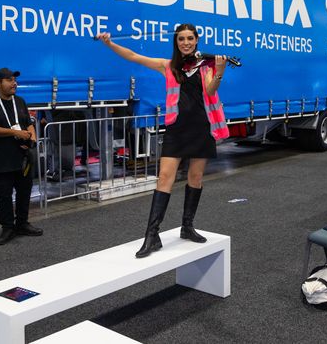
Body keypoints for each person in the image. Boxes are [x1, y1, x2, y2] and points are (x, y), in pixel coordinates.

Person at [97, 24, 229, 258]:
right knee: (165, 177)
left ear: (196, 40)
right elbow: (133, 56)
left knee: (195, 178)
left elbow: (210, 91)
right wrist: (109, 44)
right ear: (176, 42)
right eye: (181, 39)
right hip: (176, 129)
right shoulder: (168, 66)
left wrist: (219, 71)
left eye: (190, 38)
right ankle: (152, 235)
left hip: (202, 128)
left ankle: (187, 226)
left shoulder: (205, 66)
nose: (186, 43)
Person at [0, 68, 43, 246]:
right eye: (9, 80)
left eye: (14, 80)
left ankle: (22, 223)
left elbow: (28, 123)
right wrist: (14, 133)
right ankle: (7, 228)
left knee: (24, 191)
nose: (14, 83)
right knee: (4, 195)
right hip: (0, 159)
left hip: (22, 157)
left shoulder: (19, 101)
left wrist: (32, 139)